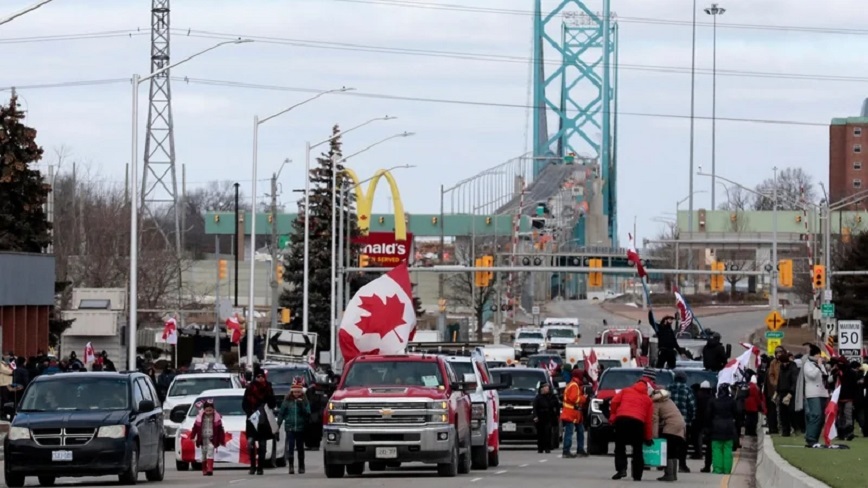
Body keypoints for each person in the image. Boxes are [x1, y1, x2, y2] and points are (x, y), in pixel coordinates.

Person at [609, 368, 655, 481]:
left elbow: (614, 401)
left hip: (622, 420)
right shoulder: (648, 400)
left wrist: (614, 415)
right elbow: (648, 421)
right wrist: (648, 437)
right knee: (637, 449)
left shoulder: (626, 390)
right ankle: (637, 475)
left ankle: (621, 469)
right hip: (637, 423)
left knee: (620, 447)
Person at [242, 367, 277, 475]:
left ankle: (260, 467)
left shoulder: (268, 387)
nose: (260, 378)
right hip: (252, 420)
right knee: (251, 443)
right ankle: (252, 466)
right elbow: (244, 404)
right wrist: (250, 413)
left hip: (264, 420)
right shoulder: (250, 388)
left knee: (262, 445)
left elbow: (273, 404)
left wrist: (269, 395)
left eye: (262, 376)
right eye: (258, 376)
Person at [795, 344, 828, 447]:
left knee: (821, 417)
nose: (820, 357)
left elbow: (824, 375)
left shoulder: (819, 364)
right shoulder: (808, 364)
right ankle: (810, 437)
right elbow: (812, 376)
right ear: (815, 355)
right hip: (813, 393)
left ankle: (815, 438)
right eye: (819, 355)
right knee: (816, 414)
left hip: (822, 392)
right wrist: (818, 366)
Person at [651, 388, 687, 482]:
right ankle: (673, 474)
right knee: (673, 452)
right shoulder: (668, 400)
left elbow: (654, 420)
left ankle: (669, 474)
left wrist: (654, 436)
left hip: (671, 426)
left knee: (668, 452)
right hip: (680, 425)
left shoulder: (656, 404)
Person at [277, 378, 310, 474]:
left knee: (300, 447)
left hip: (300, 428)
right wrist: (277, 426)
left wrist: (301, 406)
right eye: (295, 392)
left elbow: (308, 414)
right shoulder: (287, 401)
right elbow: (281, 414)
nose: (296, 394)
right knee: (290, 447)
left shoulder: (304, 401)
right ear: (292, 392)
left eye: (298, 392)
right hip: (290, 427)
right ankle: (291, 466)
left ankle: (301, 466)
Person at [707, 383, 738, 475]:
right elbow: (737, 414)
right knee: (728, 449)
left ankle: (717, 469)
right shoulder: (732, 401)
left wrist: (708, 427)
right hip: (729, 427)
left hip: (716, 427)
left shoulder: (713, 401)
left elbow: (708, 415)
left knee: (716, 449)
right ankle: (727, 469)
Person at [669, 371, 696, 473]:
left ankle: (667, 465)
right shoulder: (687, 390)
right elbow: (692, 407)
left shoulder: (668, 389)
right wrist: (691, 420)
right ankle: (682, 465)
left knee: (670, 444)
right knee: (683, 445)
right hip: (683, 423)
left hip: (669, 422)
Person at [190, 399, 226, 476]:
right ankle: (204, 469)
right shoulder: (199, 417)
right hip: (203, 438)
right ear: (204, 409)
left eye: (210, 409)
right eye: (207, 409)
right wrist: (192, 436)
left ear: (213, 409)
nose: (209, 411)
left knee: (210, 451)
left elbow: (220, 430)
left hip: (211, 438)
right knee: (204, 454)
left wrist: (221, 440)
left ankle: (210, 469)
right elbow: (195, 428)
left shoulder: (217, 418)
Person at [559, 368, 587, 457]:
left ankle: (580, 449)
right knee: (570, 432)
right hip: (571, 413)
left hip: (574, 413)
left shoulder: (573, 384)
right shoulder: (574, 385)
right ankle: (567, 451)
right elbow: (574, 398)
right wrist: (584, 398)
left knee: (579, 431)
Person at [775, 349, 799, 437]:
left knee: (791, 412)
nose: (784, 364)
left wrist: (790, 394)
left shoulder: (793, 367)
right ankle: (785, 431)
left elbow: (794, 381)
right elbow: (780, 380)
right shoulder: (782, 367)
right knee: (783, 413)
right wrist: (777, 391)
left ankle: (795, 428)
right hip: (782, 392)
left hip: (790, 393)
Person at [533, 382, 559, 454]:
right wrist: (535, 416)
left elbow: (556, 405)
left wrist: (557, 414)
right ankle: (540, 448)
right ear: (542, 389)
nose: (547, 389)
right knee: (540, 433)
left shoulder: (551, 397)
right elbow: (535, 408)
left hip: (548, 417)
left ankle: (547, 447)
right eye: (545, 388)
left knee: (548, 432)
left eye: (547, 388)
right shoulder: (538, 398)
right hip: (540, 417)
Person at [694, 381, 715, 472]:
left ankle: (698, 452)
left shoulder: (697, 397)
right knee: (709, 445)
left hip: (698, 419)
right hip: (709, 422)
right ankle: (708, 464)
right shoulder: (712, 398)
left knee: (698, 436)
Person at [764, 346, 785, 434]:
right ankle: (773, 428)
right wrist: (775, 384)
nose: (778, 354)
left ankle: (782, 428)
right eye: (777, 352)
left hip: (783, 389)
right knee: (772, 411)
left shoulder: (785, 363)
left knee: (782, 411)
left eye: (780, 352)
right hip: (773, 390)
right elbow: (771, 375)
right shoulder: (773, 363)